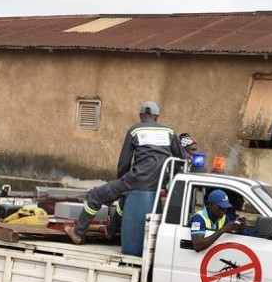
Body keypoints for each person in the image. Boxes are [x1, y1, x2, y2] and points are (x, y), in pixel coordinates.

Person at [64, 101, 184, 253]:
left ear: (141, 115)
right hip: (158, 183)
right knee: (124, 199)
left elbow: (124, 162)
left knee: (96, 195)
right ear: (156, 117)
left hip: (136, 180)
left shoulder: (134, 130)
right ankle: (110, 231)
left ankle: (78, 232)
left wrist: (121, 181)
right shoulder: (170, 133)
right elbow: (180, 159)